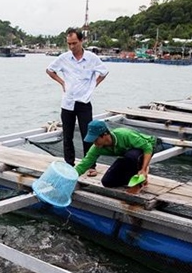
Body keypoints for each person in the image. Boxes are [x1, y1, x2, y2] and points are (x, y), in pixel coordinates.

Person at [46, 28, 109, 175]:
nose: (72, 47)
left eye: (74, 43)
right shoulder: (64, 58)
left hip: (84, 102)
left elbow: (104, 72)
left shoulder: (92, 58)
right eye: (69, 44)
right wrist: (62, 82)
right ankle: (69, 164)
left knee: (88, 135)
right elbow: (50, 70)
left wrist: (94, 85)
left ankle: (91, 165)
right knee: (67, 136)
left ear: (81, 41)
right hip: (68, 102)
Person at [74, 120, 158, 189]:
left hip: (146, 147)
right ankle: (131, 179)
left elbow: (147, 147)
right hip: (125, 156)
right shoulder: (97, 147)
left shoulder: (124, 134)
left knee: (131, 156)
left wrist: (143, 169)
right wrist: (70, 176)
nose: (94, 143)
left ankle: (142, 175)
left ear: (105, 135)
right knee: (107, 182)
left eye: (96, 140)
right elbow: (84, 163)